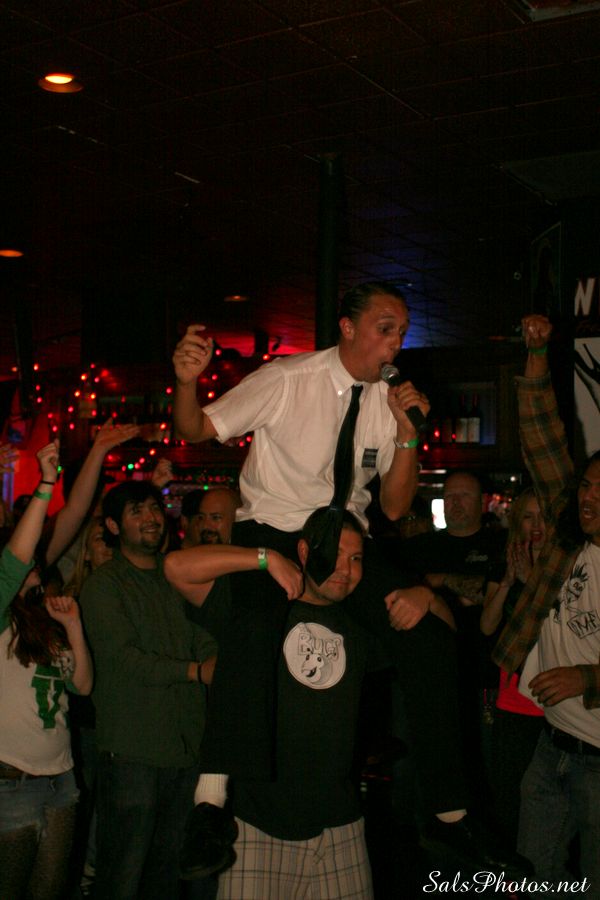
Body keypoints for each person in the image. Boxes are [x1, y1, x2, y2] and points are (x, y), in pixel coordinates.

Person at [173, 281, 520, 872]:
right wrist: (185, 382)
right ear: (348, 327)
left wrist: (407, 433)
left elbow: (393, 506)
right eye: (386, 328)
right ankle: (210, 801)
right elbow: (196, 429)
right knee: (253, 625)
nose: (395, 343)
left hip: (346, 537)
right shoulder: (289, 379)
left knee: (429, 638)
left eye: (402, 332)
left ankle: (450, 813)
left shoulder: (387, 403)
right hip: (275, 528)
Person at [166, 509, 381, 899]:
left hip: (340, 822)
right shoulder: (257, 608)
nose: (346, 570)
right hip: (258, 824)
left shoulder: (360, 621)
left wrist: (423, 596)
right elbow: (177, 568)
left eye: (356, 558)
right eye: (335, 555)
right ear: (304, 551)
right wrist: (265, 558)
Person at [494, 314, 600, 896]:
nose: (588, 498)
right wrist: (536, 354)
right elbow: (542, 434)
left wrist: (587, 676)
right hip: (550, 745)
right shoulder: (567, 537)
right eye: (586, 486)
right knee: (531, 877)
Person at [79, 481, 218, 900]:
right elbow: (124, 659)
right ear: (113, 526)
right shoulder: (104, 585)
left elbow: (203, 633)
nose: (151, 518)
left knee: (166, 878)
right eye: (136, 511)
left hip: (185, 749)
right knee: (122, 877)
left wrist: (214, 658)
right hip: (133, 754)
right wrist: (195, 671)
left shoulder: (176, 574)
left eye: (155, 508)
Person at [0, 440, 93, 900]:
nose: (35, 564)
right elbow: (13, 562)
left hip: (62, 779)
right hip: (12, 784)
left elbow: (83, 686)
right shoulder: (2, 620)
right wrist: (47, 483)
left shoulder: (46, 621)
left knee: (50, 893)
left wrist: (73, 627)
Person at [479, 488, 545, 847]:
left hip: (550, 697)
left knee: (543, 797)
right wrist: (506, 583)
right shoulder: (504, 558)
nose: (536, 525)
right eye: (528, 517)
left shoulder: (562, 565)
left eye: (542, 517)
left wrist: (530, 578)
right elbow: (487, 625)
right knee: (507, 793)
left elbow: (554, 626)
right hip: (511, 697)